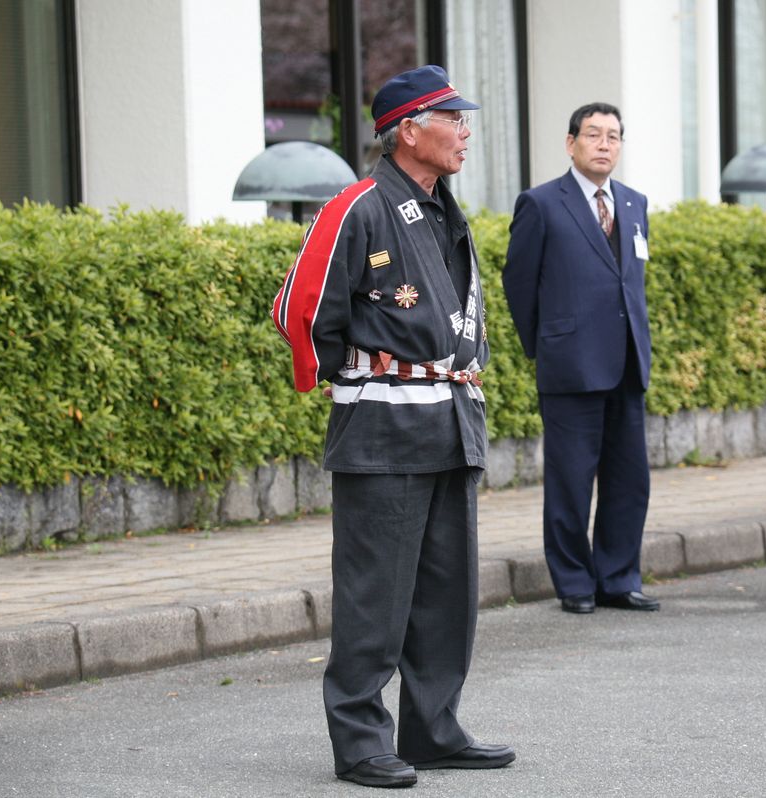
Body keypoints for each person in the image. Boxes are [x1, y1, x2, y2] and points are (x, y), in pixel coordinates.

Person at [270, 65, 514, 788]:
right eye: (453, 120)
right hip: (383, 430)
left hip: (449, 423)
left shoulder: (444, 208)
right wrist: (357, 370)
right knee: (375, 597)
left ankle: (434, 730)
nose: (466, 132)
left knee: (447, 596)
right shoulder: (358, 206)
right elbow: (299, 310)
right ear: (409, 130)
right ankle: (360, 741)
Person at [502, 102, 657, 615]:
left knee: (629, 478)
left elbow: (627, 282)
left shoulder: (634, 204)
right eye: (593, 134)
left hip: (626, 361)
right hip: (570, 364)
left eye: (614, 135)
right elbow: (519, 283)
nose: (604, 144)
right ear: (571, 143)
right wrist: (545, 343)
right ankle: (573, 581)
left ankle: (618, 578)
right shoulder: (542, 203)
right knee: (570, 482)